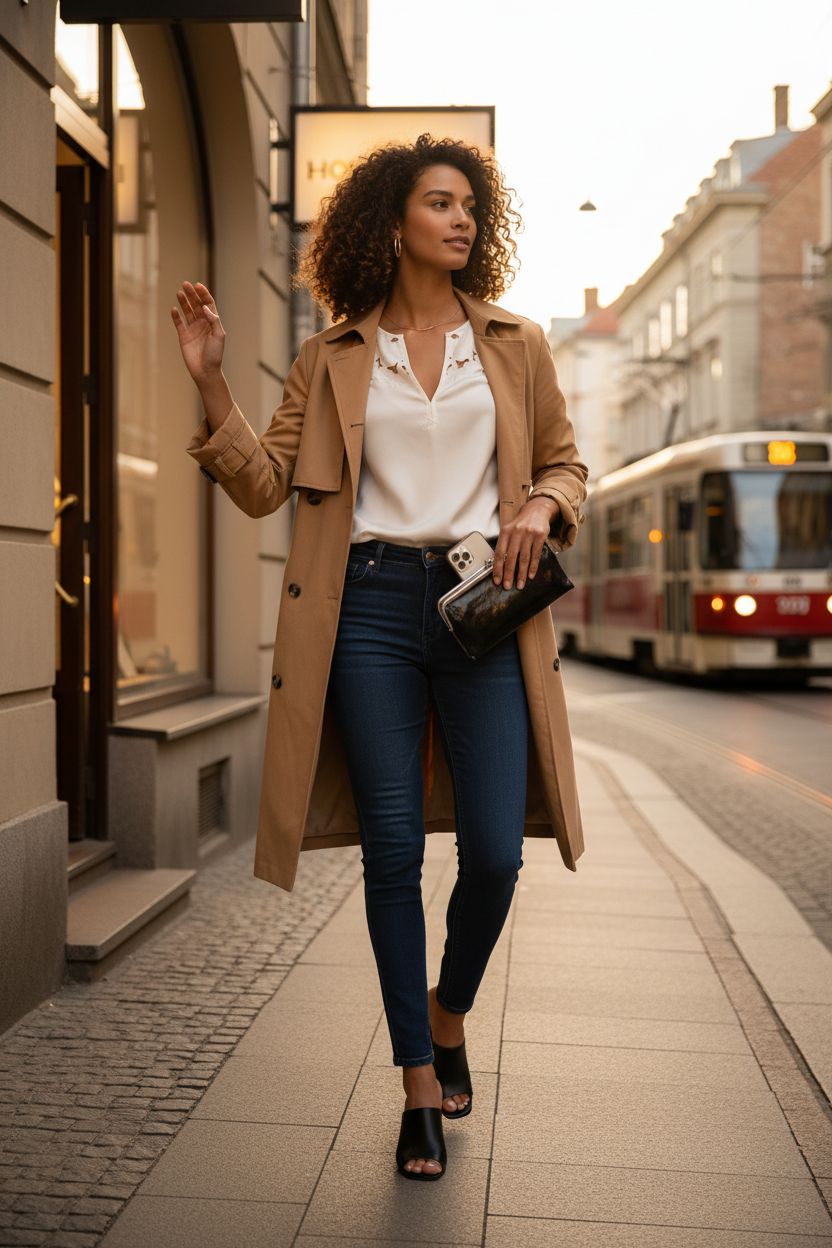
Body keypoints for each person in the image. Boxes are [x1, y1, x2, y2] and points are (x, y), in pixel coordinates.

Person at [172, 133, 588, 1182]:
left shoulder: (516, 344)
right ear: (390, 223)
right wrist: (211, 384)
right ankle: (415, 1083)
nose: (461, 222)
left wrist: (540, 501)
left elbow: (565, 460)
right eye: (441, 205)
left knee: (494, 850)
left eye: (470, 209)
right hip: (363, 611)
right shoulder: (333, 355)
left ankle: (449, 1012)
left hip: (479, 608)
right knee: (391, 851)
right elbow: (266, 483)